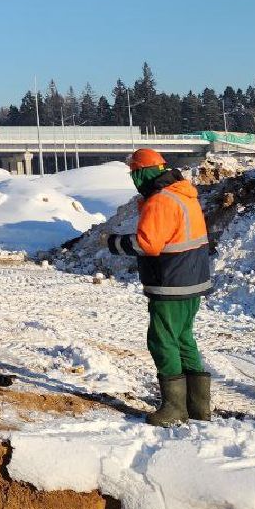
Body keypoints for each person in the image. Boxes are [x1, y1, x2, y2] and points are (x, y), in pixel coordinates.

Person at [106, 148, 214, 426]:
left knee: (162, 339)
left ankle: (174, 408)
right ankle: (198, 408)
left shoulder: (160, 200)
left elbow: (147, 243)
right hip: (192, 279)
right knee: (183, 338)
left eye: (134, 173)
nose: (133, 179)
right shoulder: (183, 194)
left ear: (143, 172)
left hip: (171, 281)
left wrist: (112, 243)